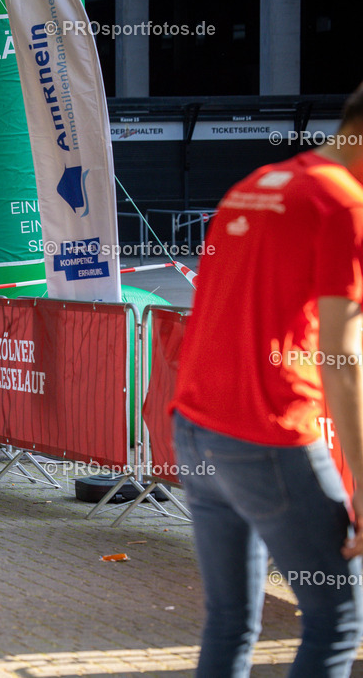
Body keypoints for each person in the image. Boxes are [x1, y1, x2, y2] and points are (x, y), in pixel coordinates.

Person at [172, 83, 363, 677]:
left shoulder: (255, 185)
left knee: (230, 619)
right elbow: (343, 356)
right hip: (270, 437)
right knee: (337, 623)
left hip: (198, 428)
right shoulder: (342, 204)